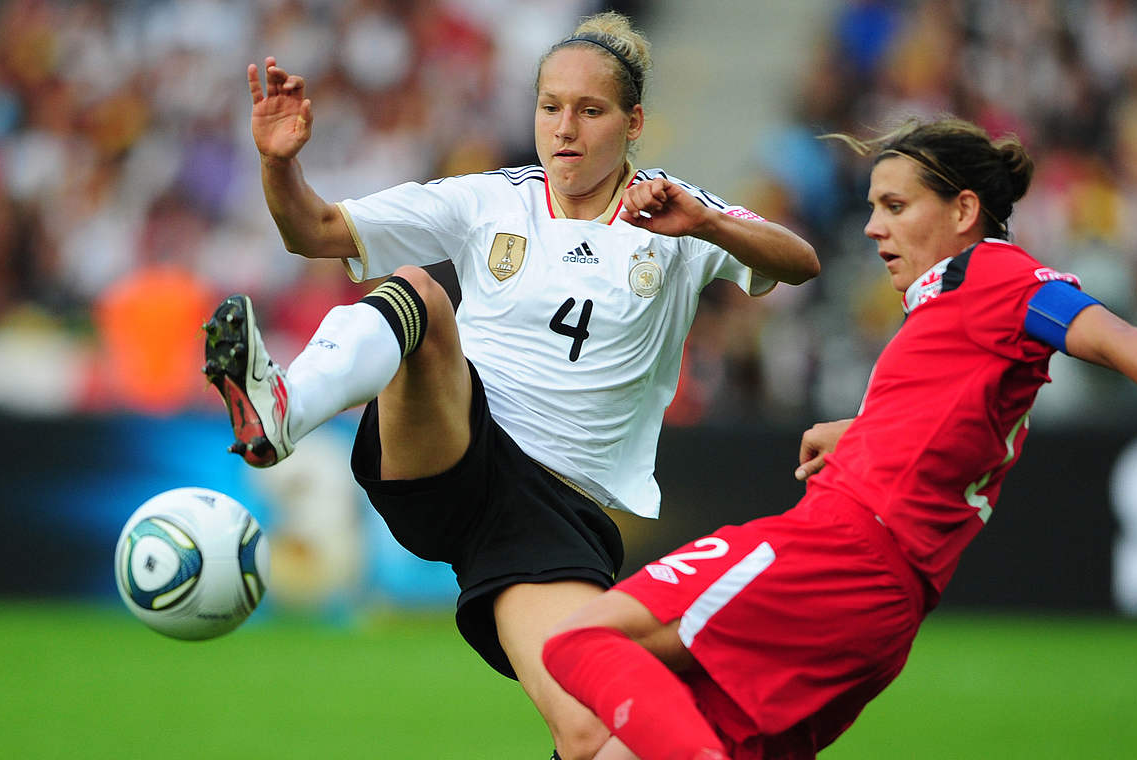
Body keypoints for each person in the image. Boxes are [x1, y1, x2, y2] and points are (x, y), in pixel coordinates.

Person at [540, 116, 1137, 760]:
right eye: (871, 207)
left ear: (962, 211)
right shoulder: (956, 312)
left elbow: (1104, 330)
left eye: (894, 206)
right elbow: (966, 425)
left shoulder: (995, 274)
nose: (872, 228)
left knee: (580, 640)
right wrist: (858, 431)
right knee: (618, 748)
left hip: (840, 549)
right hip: (883, 606)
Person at [201, 12, 818, 760]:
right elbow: (317, 230)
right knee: (417, 298)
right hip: (455, 447)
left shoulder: (675, 212)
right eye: (550, 106)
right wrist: (278, 164)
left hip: (547, 517)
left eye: (590, 111)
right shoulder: (493, 200)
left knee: (595, 732)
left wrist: (711, 227)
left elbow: (799, 261)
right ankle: (282, 413)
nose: (565, 128)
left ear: (633, 122)